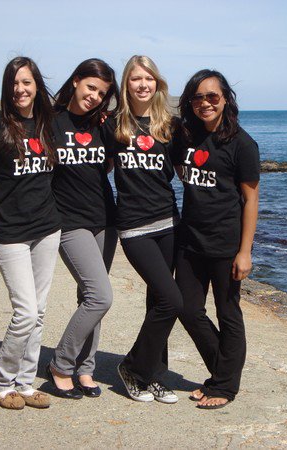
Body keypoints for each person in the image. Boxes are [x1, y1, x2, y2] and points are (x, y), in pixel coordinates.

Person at [0, 56, 61, 410]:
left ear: (37, 86)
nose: (20, 89)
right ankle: (1, 382)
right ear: (7, 88)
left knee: (39, 312)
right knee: (24, 311)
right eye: (14, 83)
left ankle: (25, 382)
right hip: (9, 233)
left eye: (26, 82)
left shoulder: (49, 124)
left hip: (48, 229)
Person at [174, 69, 260, 409]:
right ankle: (221, 375)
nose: (205, 103)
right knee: (188, 309)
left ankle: (224, 385)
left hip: (226, 244)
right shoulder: (186, 137)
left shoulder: (242, 143)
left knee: (228, 313)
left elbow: (251, 199)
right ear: (190, 102)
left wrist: (245, 251)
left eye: (212, 96)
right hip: (190, 241)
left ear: (225, 99)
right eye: (198, 97)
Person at [103, 55, 182, 404]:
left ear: (157, 83)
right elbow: (93, 167)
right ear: (126, 84)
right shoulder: (113, 125)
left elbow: (189, 169)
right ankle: (133, 367)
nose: (143, 84)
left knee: (157, 303)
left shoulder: (170, 125)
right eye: (136, 78)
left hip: (169, 222)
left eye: (149, 78)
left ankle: (154, 376)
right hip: (134, 227)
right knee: (171, 299)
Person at [47, 58, 118, 399]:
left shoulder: (101, 124)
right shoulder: (51, 122)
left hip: (105, 219)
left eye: (102, 93)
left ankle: (85, 369)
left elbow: (107, 165)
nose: (95, 96)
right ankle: (61, 364)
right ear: (76, 81)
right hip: (69, 222)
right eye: (91, 87)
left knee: (89, 296)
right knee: (100, 296)